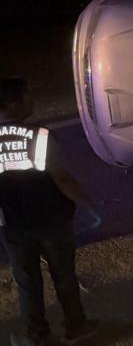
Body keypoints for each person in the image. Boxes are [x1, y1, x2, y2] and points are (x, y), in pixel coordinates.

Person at [0, 78, 99, 346]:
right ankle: (76, 326)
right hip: (51, 219)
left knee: (27, 281)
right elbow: (62, 180)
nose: (32, 101)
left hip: (13, 225)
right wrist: (88, 204)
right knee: (64, 275)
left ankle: (36, 337)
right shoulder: (40, 136)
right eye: (27, 96)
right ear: (13, 104)